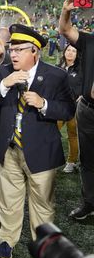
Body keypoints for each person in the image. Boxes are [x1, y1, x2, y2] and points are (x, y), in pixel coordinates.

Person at [0, 24, 75, 258]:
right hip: (10, 148)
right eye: (11, 49)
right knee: (9, 199)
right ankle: (7, 239)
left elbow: (68, 110)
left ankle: (42, 243)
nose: (13, 54)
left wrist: (44, 104)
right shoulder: (2, 73)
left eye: (20, 49)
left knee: (42, 202)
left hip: (42, 150)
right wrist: (5, 85)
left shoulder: (56, 75)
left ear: (34, 51)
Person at [59, 0, 94, 220]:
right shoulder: (89, 41)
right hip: (89, 109)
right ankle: (89, 202)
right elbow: (64, 29)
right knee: (88, 161)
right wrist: (66, 11)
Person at [57, 44, 82, 173]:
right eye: (68, 50)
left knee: (72, 135)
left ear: (77, 54)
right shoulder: (58, 67)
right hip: (58, 107)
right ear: (64, 51)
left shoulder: (80, 69)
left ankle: (71, 162)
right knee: (52, 133)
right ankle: (50, 159)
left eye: (74, 51)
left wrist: (82, 95)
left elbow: (86, 84)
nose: (70, 53)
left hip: (73, 108)